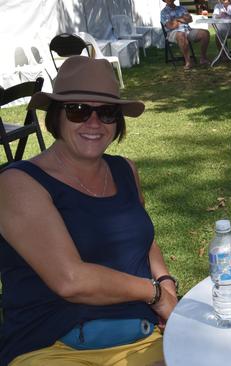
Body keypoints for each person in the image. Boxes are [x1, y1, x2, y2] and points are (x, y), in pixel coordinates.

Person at [0, 56, 178, 365]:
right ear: (56, 116)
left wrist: (166, 281)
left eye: (106, 112)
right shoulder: (18, 184)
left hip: (140, 336)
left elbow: (144, 240)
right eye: (78, 110)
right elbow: (70, 280)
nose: (93, 124)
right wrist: (154, 294)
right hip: (52, 347)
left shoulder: (125, 170)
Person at [161, 0, 210, 69]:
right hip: (173, 32)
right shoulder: (164, 12)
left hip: (187, 30)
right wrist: (182, 19)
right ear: (164, 1)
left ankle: (203, 58)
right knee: (181, 35)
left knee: (205, 33)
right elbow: (171, 26)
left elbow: (190, 19)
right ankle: (188, 62)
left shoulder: (182, 8)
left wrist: (177, 19)